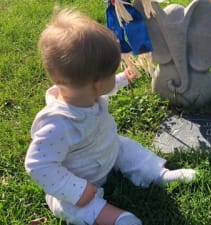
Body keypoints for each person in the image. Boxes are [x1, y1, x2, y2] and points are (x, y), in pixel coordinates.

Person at [24, 8, 196, 225]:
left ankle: (157, 174)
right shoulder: (58, 124)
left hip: (106, 151)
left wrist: (123, 79)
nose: (114, 77)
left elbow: (106, 88)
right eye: (111, 74)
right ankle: (116, 219)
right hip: (80, 179)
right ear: (96, 85)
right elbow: (38, 165)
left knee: (127, 147)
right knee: (78, 207)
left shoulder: (82, 93)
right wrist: (76, 190)